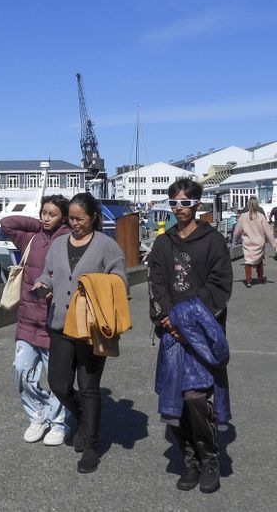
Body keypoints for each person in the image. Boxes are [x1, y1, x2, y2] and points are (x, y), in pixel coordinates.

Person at [32, 192, 128, 473]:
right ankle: (85, 422)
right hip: (60, 325)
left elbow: (120, 281)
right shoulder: (59, 244)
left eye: (79, 219)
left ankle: (91, 446)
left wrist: (94, 284)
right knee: (59, 384)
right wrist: (42, 285)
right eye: (71, 218)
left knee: (89, 388)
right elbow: (46, 274)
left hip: (91, 329)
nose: (74, 223)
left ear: (94, 217)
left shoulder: (107, 247)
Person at [148, 178, 233, 493]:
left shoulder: (213, 241)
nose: (179, 208)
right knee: (174, 398)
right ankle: (190, 458)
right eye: (174, 203)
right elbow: (156, 283)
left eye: (184, 202)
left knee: (196, 397)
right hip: (171, 331)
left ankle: (209, 456)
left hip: (201, 334)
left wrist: (187, 322)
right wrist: (168, 318)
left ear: (197, 203)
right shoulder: (163, 242)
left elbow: (219, 285)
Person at [0, 195, 71, 446]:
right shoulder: (29, 238)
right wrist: (38, 224)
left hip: (56, 321)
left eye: (52, 214)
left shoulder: (69, 240)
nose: (46, 218)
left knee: (57, 379)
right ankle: (37, 415)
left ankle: (59, 423)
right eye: (44, 213)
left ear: (64, 216)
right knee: (21, 371)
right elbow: (7, 222)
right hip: (28, 319)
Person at [232, 197, 277, 287]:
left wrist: (234, 242)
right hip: (259, 242)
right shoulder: (261, 216)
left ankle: (248, 280)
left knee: (248, 261)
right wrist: (274, 245)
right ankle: (260, 278)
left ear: (248, 204)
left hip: (248, 243)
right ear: (257, 205)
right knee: (259, 260)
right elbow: (268, 232)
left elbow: (237, 231)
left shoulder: (243, 216)